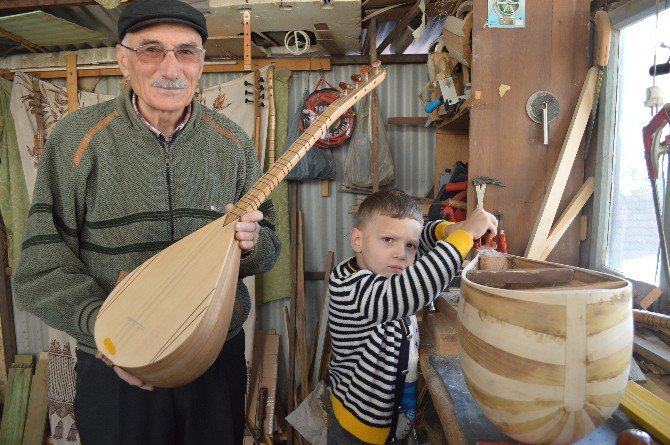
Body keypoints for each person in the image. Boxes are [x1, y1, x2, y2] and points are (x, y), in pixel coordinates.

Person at [13, 0, 281, 444]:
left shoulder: (232, 143)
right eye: (151, 50)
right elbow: (42, 266)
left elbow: (269, 243)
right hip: (117, 366)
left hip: (214, 358)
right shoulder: (75, 141)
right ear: (123, 60)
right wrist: (109, 331)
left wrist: (250, 244)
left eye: (186, 52)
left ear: (201, 63)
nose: (170, 68)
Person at [326, 189, 497, 444]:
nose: (401, 254)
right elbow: (413, 289)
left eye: (409, 246)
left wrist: (449, 230)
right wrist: (466, 235)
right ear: (357, 240)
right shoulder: (351, 289)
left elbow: (423, 237)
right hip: (359, 430)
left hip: (394, 425)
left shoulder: (384, 271)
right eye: (388, 240)